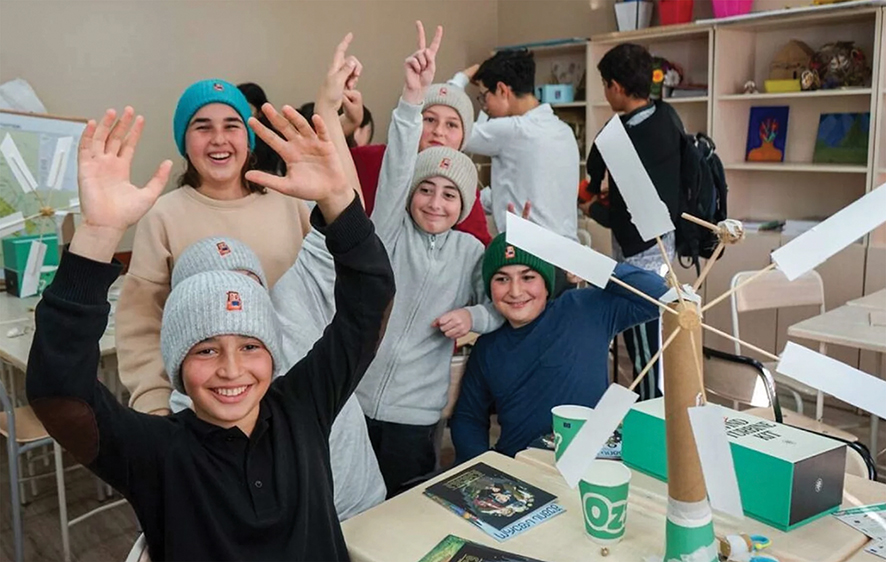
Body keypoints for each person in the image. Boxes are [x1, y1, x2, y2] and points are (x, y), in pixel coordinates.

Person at [26, 98, 395, 560]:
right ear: (178, 358)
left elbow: (369, 302)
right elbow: (58, 393)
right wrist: (98, 235)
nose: (232, 368)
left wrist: (339, 201)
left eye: (249, 344)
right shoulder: (157, 454)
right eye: (206, 349)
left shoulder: (304, 408)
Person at [359, 21, 502, 496]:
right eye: (425, 190)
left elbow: (495, 302)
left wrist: (471, 315)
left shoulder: (470, 250)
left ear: (465, 205)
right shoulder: (389, 228)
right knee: (346, 503)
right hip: (354, 398)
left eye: (449, 196)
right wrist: (410, 100)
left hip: (417, 413)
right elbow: (398, 171)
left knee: (403, 507)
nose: (436, 203)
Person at [116, 79, 311, 417]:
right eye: (202, 127)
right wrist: (156, 408)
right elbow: (141, 323)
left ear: (248, 139)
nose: (219, 139)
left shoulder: (290, 204)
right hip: (206, 408)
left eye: (231, 126)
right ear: (184, 142)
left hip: (295, 401)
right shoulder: (163, 216)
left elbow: (329, 292)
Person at [449, 233, 667, 464]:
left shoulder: (584, 308)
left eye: (528, 277)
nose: (515, 291)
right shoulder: (487, 345)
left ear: (546, 283)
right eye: (502, 279)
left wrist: (593, 266)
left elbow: (661, 297)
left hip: (594, 461)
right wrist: (483, 466)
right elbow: (468, 417)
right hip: (520, 466)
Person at [583, 43, 689, 401]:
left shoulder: (618, 137)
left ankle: (650, 413)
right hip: (666, 244)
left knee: (644, 347)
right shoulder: (668, 117)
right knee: (654, 340)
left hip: (640, 251)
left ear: (615, 86)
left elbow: (622, 210)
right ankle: (655, 407)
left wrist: (591, 209)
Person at [450, 49, 580, 257]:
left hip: (534, 257)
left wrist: (461, 78)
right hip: (568, 256)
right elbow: (522, 189)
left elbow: (447, 128)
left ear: (502, 90)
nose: (485, 107)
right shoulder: (563, 130)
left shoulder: (513, 130)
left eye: (484, 97)